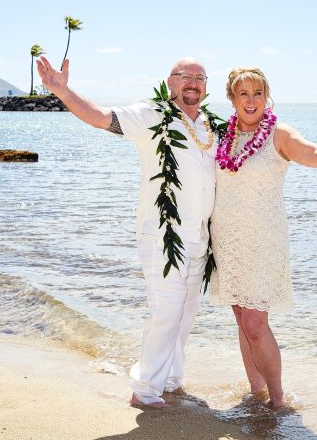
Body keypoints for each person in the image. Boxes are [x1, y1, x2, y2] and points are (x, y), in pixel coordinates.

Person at [37, 56, 219, 408]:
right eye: (184, 76)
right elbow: (103, 118)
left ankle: (171, 378)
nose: (192, 82)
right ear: (170, 82)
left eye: (199, 77)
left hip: (200, 236)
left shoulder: (210, 125)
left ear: (206, 85)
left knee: (187, 311)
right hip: (163, 233)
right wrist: (63, 91)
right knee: (166, 309)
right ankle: (144, 388)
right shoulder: (152, 115)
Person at [209, 67, 317, 409]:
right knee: (240, 316)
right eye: (243, 94)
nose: (251, 101)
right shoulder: (222, 134)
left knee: (255, 321)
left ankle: (278, 399)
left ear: (267, 97)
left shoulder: (279, 134)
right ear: (232, 99)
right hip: (226, 237)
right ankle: (256, 392)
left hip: (263, 239)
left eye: (258, 93)